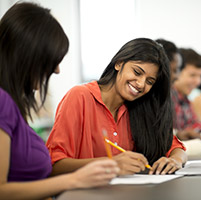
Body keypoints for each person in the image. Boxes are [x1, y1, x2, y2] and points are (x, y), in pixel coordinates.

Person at [0, 2, 119, 200]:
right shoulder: (2, 102)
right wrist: (75, 180)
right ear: (28, 55)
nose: (57, 70)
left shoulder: (11, 104)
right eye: (52, 60)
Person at [46, 38, 187, 176]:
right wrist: (112, 164)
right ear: (119, 63)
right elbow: (54, 164)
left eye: (150, 81)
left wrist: (175, 160)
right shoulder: (80, 96)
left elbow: (176, 147)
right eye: (137, 72)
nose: (141, 84)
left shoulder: (142, 108)